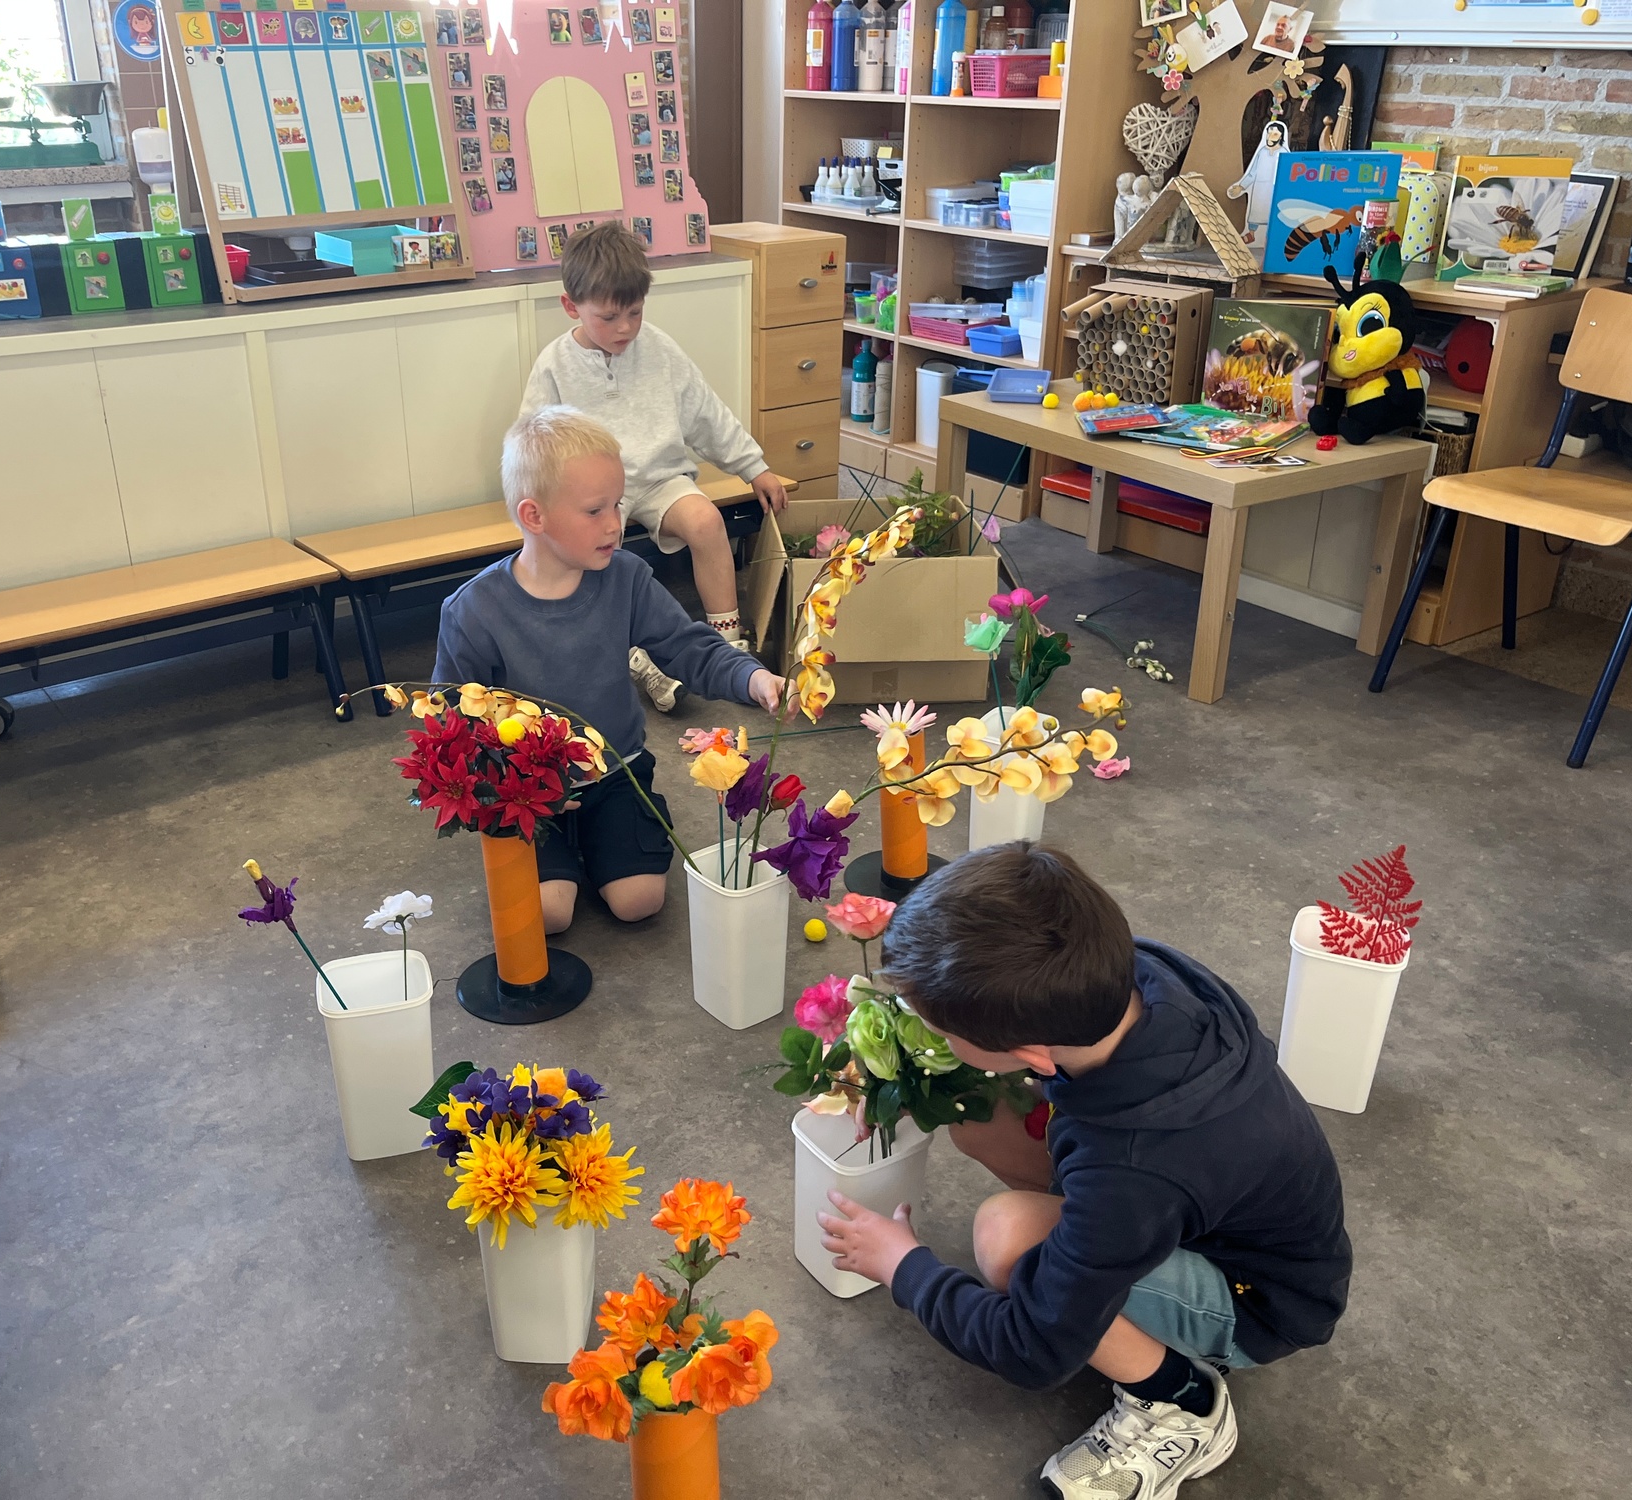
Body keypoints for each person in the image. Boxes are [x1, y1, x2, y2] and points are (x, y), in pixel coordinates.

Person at [817, 844, 1352, 1499]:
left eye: (938, 1029)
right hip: (1198, 1200)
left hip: (1259, 1302)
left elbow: (1031, 1349)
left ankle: (1183, 1402)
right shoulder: (1135, 975)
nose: (926, 1030)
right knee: (977, 1120)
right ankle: (1098, 1268)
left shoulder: (1133, 1171)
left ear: (1032, 1053)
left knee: (1007, 1239)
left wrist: (903, 1266)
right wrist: (899, 1076)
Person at [433, 407, 782, 934]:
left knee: (638, 901)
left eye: (617, 504)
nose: (615, 523)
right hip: (526, 791)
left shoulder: (627, 578)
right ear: (534, 516)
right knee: (548, 915)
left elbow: (687, 647)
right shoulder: (473, 610)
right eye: (594, 510)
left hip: (617, 771)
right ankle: (560, 860)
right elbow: (452, 724)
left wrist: (752, 678)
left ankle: (597, 846)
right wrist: (500, 788)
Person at [519, 221, 787, 711]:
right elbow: (535, 442)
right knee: (601, 548)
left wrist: (754, 466)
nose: (625, 328)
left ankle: (726, 646)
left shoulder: (660, 349)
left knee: (707, 521)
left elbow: (706, 414)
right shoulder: (554, 365)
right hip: (597, 493)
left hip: (661, 478)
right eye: (609, 317)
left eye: (635, 313)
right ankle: (635, 656)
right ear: (571, 306)